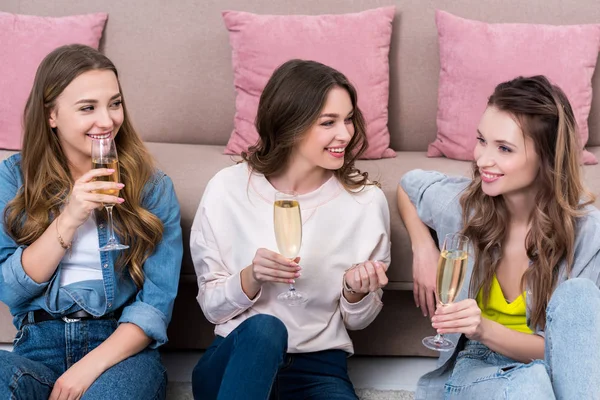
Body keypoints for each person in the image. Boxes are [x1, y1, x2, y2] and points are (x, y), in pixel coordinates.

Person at [190, 59, 391, 400]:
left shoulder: (366, 202)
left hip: (318, 370)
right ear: (289, 125)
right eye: (328, 122)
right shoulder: (228, 188)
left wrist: (355, 292)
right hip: (238, 361)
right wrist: (251, 277)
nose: (345, 134)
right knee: (267, 327)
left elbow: (357, 321)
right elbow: (212, 307)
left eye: (348, 120)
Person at [397, 75, 600, 399]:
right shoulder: (463, 206)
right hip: (479, 367)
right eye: (482, 140)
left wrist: (484, 328)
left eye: (504, 148)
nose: (482, 159)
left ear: (546, 158)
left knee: (579, 295)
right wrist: (422, 247)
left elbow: (576, 357)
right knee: (530, 385)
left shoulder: (587, 232)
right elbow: (408, 186)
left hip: (555, 370)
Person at [0, 44, 183, 400]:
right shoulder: (13, 177)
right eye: (88, 108)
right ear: (51, 114)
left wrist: (86, 370)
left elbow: (155, 306)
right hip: (39, 345)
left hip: (119, 350)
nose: (108, 120)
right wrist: (69, 217)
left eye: (114, 103)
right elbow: (10, 290)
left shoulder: (152, 186)